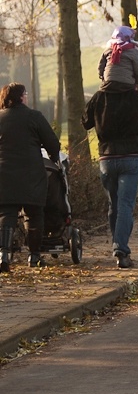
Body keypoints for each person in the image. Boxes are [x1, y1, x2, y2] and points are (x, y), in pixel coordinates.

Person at [82, 80, 138, 268]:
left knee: (114, 205)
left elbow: (85, 122)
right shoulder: (136, 97)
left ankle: (118, 245)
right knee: (126, 205)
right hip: (130, 157)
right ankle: (121, 249)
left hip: (107, 159)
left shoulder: (99, 97)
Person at [0, 83, 61, 271]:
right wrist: (53, 157)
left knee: (6, 214)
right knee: (34, 215)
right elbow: (52, 143)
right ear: (21, 97)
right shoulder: (34, 117)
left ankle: (4, 255)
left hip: (4, 175)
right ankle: (34, 257)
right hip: (32, 175)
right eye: (25, 94)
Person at [97, 25, 138, 90]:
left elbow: (100, 67)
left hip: (108, 83)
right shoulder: (134, 52)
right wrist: (137, 81)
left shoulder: (108, 50)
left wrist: (103, 77)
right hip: (127, 84)